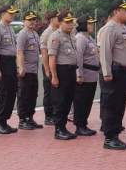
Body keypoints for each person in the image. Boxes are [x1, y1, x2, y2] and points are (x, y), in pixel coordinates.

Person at [97, 0, 126, 150]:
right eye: (125, 10)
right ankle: (109, 138)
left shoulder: (123, 28)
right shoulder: (109, 28)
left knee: (120, 105)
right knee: (112, 106)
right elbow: (105, 52)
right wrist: (107, 72)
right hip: (115, 72)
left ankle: (115, 135)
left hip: (125, 73)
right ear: (116, 11)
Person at [48, 11, 79, 140]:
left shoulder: (71, 36)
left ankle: (64, 127)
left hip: (71, 71)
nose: (70, 24)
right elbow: (52, 58)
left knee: (68, 100)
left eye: (71, 22)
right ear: (60, 22)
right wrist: (54, 76)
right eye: (67, 22)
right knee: (60, 101)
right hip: (61, 71)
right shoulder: (56, 36)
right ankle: (58, 129)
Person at [0, 5, 19, 134]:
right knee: (3, 92)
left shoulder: (10, 28)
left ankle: (5, 121)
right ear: (3, 14)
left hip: (11, 62)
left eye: (13, 13)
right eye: (10, 13)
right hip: (3, 62)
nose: (12, 15)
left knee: (11, 91)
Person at [15, 11, 42, 130]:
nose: (32, 22)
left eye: (34, 19)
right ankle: (22, 119)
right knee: (24, 95)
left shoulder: (35, 34)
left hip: (33, 70)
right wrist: (21, 67)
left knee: (32, 95)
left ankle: (30, 118)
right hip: (25, 70)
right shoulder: (22, 34)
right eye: (29, 20)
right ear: (24, 21)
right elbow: (19, 52)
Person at [73, 15, 99, 136]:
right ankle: (79, 125)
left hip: (92, 74)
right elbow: (78, 57)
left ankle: (84, 123)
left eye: (92, 23)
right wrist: (79, 74)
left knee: (88, 101)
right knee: (81, 101)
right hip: (85, 74)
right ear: (83, 24)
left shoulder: (89, 38)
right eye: (89, 23)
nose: (91, 26)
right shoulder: (80, 38)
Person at [39, 11, 59, 126]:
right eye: (57, 18)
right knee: (49, 92)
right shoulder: (47, 33)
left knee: (56, 92)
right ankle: (48, 116)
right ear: (52, 19)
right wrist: (47, 69)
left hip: (56, 65)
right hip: (48, 65)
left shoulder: (58, 31)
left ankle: (55, 114)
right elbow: (44, 53)